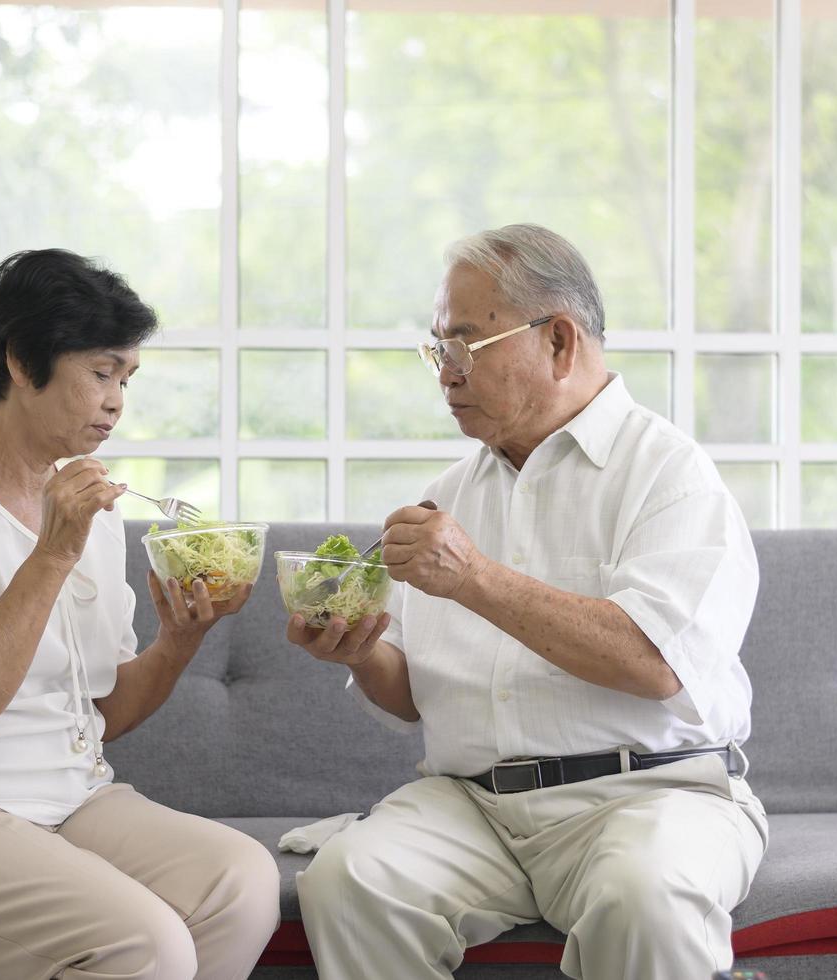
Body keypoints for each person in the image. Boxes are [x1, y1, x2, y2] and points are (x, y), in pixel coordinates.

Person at [288, 224, 769, 980]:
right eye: (436, 349)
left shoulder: (669, 475)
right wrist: (360, 650)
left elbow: (652, 662)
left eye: (464, 345)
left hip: (650, 795)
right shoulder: (449, 493)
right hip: (473, 807)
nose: (444, 374)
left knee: (643, 897)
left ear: (559, 342)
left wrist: (474, 577)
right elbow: (412, 694)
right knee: (348, 878)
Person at [0, 248, 279, 980]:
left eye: (126, 379)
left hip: (69, 798)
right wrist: (49, 555)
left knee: (240, 880)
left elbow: (102, 712)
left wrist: (178, 641)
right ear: (20, 361)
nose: (117, 401)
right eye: (101, 372)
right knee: (147, 946)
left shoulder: (92, 511)